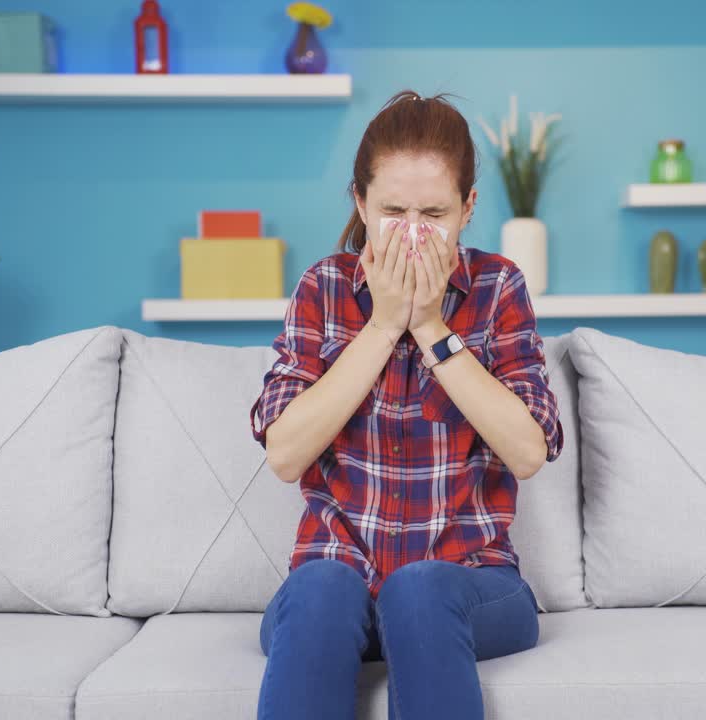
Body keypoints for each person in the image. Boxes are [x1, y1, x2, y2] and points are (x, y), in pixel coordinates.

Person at [248, 89, 564, 720]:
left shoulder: (498, 287)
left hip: (470, 582)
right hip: (335, 588)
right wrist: (383, 326)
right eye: (393, 210)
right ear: (360, 202)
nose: (414, 234)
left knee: (417, 589)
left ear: (468, 208)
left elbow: (529, 450)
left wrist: (430, 327)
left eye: (434, 213)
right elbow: (284, 453)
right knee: (321, 587)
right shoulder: (323, 288)